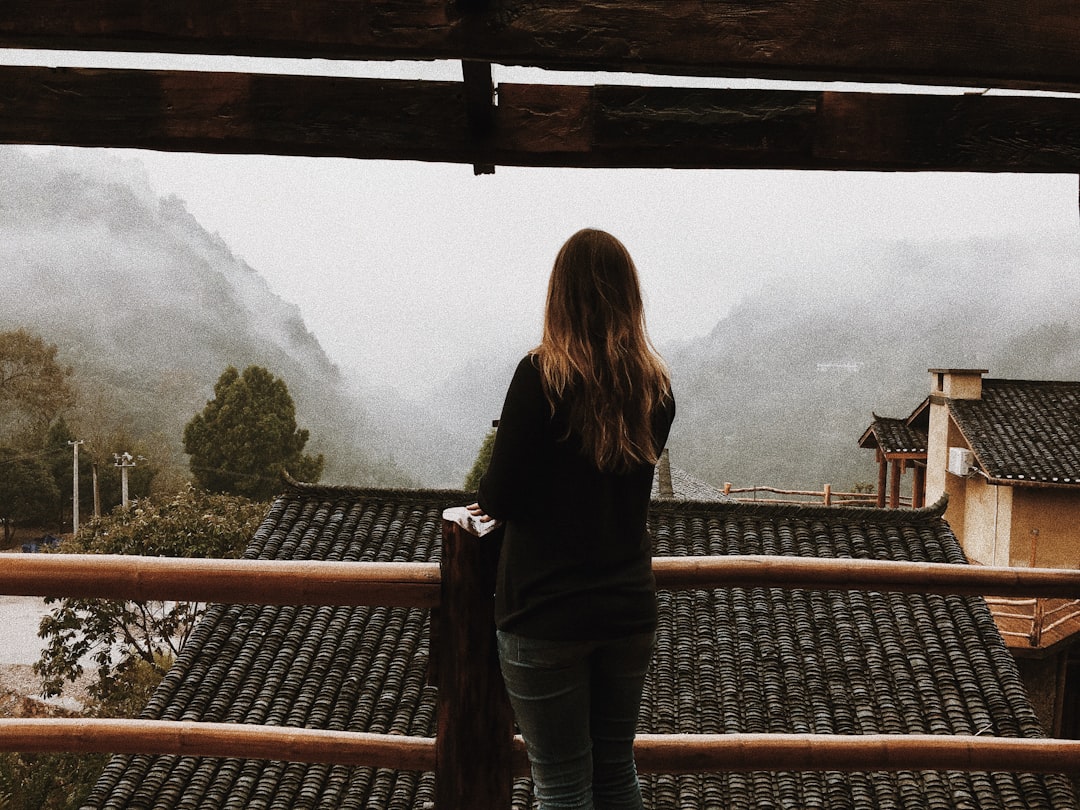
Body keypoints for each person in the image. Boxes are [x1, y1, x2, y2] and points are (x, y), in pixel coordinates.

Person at [467, 228, 675, 810]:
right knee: (614, 771)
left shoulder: (540, 377)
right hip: (627, 609)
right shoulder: (655, 389)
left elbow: (499, 494)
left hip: (544, 610)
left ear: (560, 294)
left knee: (560, 783)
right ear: (629, 296)